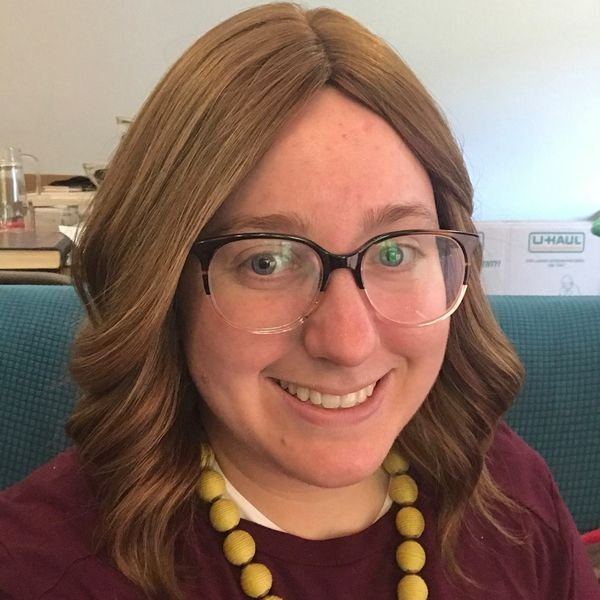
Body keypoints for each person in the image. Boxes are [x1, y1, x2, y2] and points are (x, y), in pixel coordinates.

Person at [0, 4, 598, 599]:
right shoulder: (37, 570)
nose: (347, 343)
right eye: (266, 261)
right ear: (163, 286)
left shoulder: (508, 497)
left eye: (394, 252)